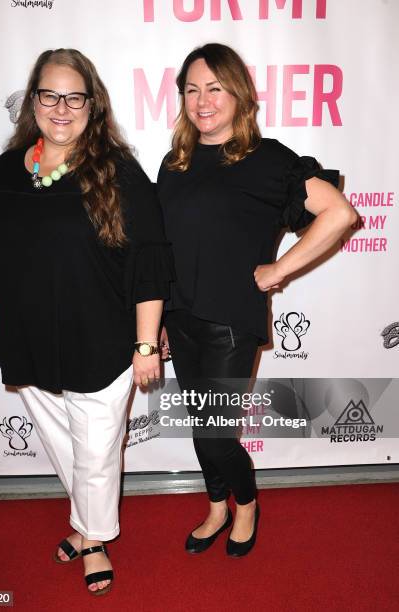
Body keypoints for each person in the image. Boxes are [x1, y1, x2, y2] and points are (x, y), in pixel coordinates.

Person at [0, 48, 173, 595]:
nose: (61, 107)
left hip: (102, 339)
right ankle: (85, 522)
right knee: (62, 442)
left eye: (74, 96)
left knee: (98, 449)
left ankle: (94, 538)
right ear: (33, 101)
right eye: (49, 95)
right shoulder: (8, 169)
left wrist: (146, 345)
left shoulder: (119, 171)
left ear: (92, 104)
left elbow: (149, 262)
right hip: (29, 338)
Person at [157, 43, 356, 558]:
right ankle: (217, 505)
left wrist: (278, 270)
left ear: (239, 94)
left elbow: (339, 214)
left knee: (219, 434)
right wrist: (155, 316)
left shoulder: (268, 160)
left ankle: (245, 503)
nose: (203, 100)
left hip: (229, 323)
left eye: (215, 88)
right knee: (202, 428)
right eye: (192, 89)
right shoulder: (174, 163)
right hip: (178, 317)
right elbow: (161, 247)